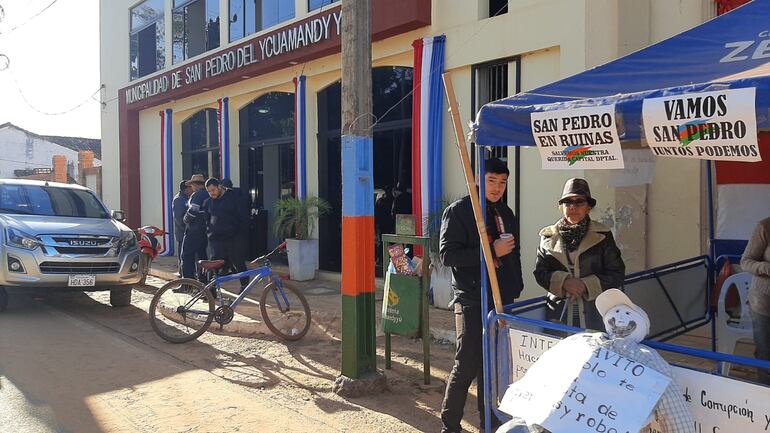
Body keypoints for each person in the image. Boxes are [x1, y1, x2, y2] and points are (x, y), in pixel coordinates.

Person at [439, 157, 524, 433]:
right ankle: (450, 426)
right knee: (467, 363)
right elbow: (448, 255)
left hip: (501, 300)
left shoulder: (506, 213)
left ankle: (489, 423)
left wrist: (516, 285)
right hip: (471, 299)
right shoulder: (459, 211)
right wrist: (489, 251)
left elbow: (515, 252)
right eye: (491, 181)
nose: (497, 187)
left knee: (495, 366)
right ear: (477, 179)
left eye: (502, 182)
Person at [534, 178, 625, 330]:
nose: (573, 207)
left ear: (588, 207)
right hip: (558, 313)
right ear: (561, 207)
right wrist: (564, 282)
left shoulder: (603, 235)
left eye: (579, 202)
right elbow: (540, 273)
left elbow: (617, 273)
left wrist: (586, 284)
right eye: (568, 202)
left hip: (595, 314)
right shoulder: (547, 236)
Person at [204, 178, 249, 291]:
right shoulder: (209, 202)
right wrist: (210, 232)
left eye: (213, 190)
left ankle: (244, 287)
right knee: (213, 265)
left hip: (234, 239)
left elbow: (243, 217)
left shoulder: (234, 198)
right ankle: (211, 291)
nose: (212, 193)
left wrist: (239, 234)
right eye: (209, 191)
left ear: (219, 186)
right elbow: (207, 219)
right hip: (216, 240)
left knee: (238, 264)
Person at [740, 216, 770, 385]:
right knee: (765, 354)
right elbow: (745, 261)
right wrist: (765, 267)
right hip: (764, 303)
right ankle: (765, 392)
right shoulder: (765, 227)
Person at [181, 174, 208, 281]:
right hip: (204, 230)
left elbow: (193, 211)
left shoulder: (197, 195)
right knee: (202, 256)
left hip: (193, 230)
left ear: (195, 184)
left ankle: (187, 283)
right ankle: (203, 281)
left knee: (187, 255)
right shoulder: (207, 194)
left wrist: (185, 219)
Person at [172, 180, 191, 275]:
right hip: (182, 232)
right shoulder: (179, 200)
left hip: (184, 231)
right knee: (182, 254)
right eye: (190, 187)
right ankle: (182, 272)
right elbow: (179, 218)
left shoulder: (185, 198)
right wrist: (186, 229)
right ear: (185, 189)